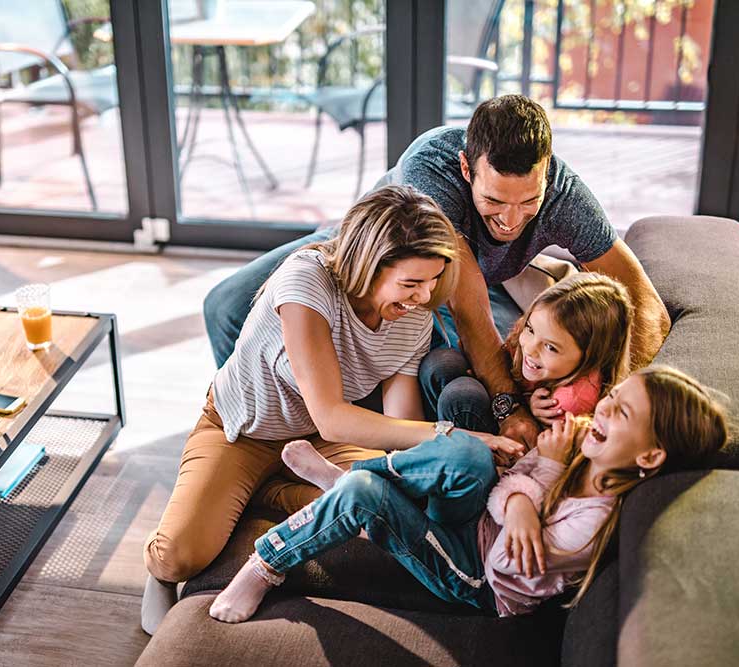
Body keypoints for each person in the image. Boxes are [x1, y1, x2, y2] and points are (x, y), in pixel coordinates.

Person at [142, 185, 525, 634]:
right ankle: (182, 549)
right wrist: (453, 436)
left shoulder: (414, 311)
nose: (423, 297)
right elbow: (331, 413)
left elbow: (396, 423)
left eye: (432, 282)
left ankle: (272, 488)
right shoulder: (307, 282)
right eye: (410, 283)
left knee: (394, 505)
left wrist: (421, 461)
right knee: (181, 555)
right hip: (244, 431)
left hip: (324, 441)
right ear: (368, 265)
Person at [202, 95, 670, 449]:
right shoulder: (432, 170)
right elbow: (467, 310)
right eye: (493, 203)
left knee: (526, 358)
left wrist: (613, 398)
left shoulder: (567, 197)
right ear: (467, 169)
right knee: (224, 306)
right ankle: (264, 440)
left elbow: (647, 305)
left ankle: (335, 432)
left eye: (529, 202)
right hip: (366, 250)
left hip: (462, 284)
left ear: (547, 173)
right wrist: (508, 411)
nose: (510, 221)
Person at [208, 366, 729, 622]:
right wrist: (525, 488)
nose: (605, 412)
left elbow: (507, 562)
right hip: (477, 524)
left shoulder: (593, 524)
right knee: (468, 455)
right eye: (612, 399)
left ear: (650, 457)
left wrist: (538, 478)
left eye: (623, 416)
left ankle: (266, 563)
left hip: (475, 574)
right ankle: (351, 483)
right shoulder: (579, 453)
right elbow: (506, 491)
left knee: (365, 493)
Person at [425, 272, 634, 434]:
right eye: (531, 330)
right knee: (443, 362)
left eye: (551, 347)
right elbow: (508, 357)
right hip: (511, 403)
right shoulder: (530, 337)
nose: (531, 349)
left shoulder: (571, 401)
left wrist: (531, 413)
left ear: (591, 357)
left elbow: (541, 451)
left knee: (462, 395)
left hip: (515, 448)